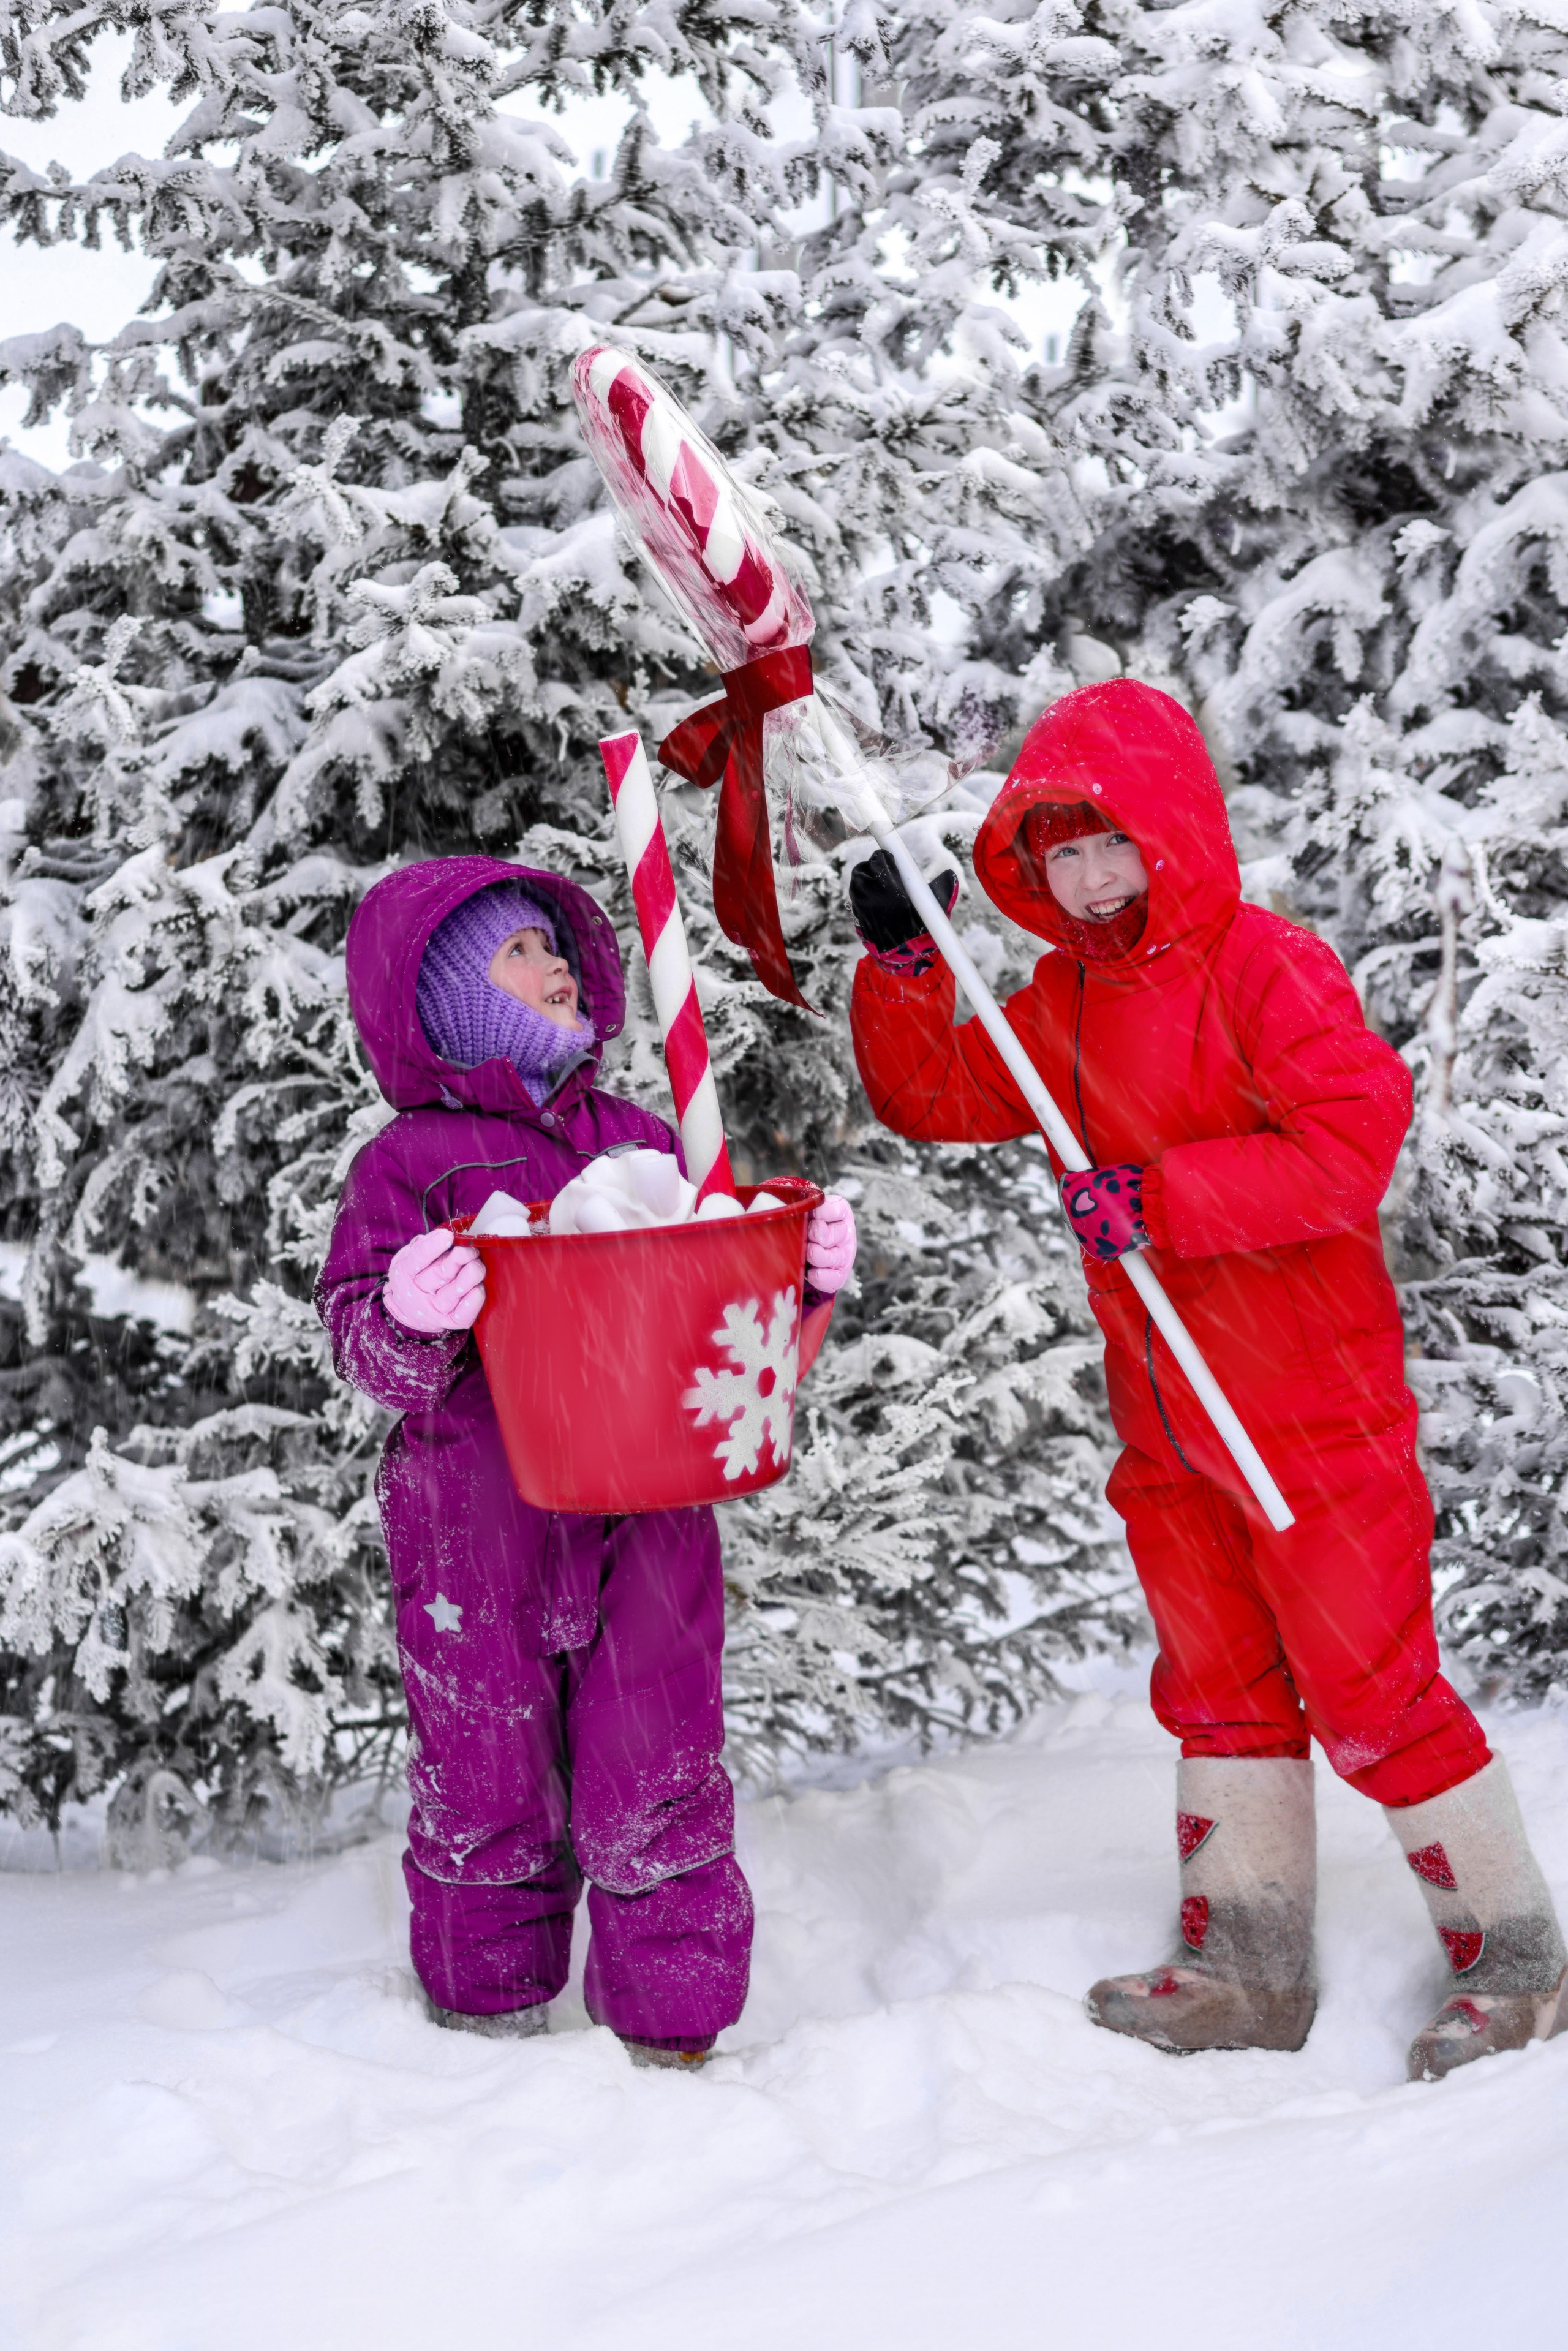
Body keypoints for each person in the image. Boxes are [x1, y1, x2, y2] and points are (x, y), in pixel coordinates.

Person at [847, 679, 1566, 2081]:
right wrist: (906, 965)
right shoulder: (1056, 997)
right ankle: (1245, 1957)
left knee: (1369, 1686)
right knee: (1218, 1683)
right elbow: (937, 1097)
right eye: (1055, 853)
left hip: (1311, 1409)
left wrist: (1162, 1197)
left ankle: (1516, 1949)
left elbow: (1345, 1144)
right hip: (1169, 1420)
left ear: (1169, 828)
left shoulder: (1266, 965)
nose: (1089, 874)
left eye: (1108, 839)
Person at [318, 856, 856, 2068]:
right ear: (450, 999)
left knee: (654, 1759)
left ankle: (671, 2029)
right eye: (517, 953)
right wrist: (404, 1310)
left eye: (559, 948)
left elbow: (732, 1341)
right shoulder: (410, 1163)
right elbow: (362, 1341)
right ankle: (484, 2015)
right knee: (483, 1763)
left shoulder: (646, 1142)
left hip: (647, 1521)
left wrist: (797, 1275)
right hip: (475, 1521)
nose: (557, 962)